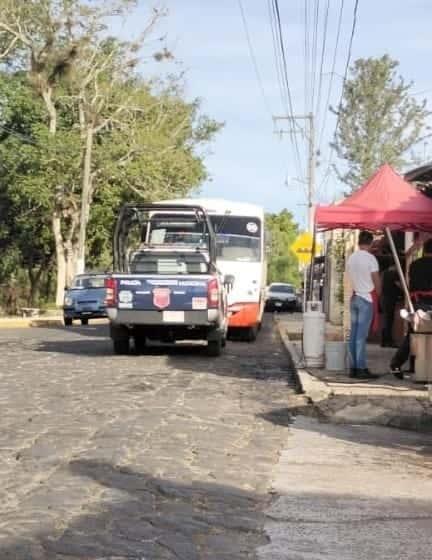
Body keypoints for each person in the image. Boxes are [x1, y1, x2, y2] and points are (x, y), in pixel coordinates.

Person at [390, 238, 432, 379]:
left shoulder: (414, 265)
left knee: (413, 335)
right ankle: (421, 367)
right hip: (429, 304)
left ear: (424, 250)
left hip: (417, 304)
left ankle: (401, 364)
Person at [346, 231, 381, 379]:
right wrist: (378, 295)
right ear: (371, 243)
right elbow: (376, 280)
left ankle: (353, 367)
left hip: (354, 298)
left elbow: (349, 277)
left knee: (353, 335)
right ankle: (361, 368)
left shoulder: (351, 258)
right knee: (361, 336)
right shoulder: (371, 259)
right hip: (366, 298)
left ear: (359, 242)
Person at [380, 263, 402, 347]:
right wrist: (406, 290)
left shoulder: (383, 273)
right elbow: (399, 285)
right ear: (395, 266)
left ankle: (384, 341)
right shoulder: (393, 273)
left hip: (383, 298)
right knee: (389, 320)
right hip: (390, 299)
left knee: (386, 319)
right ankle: (389, 341)